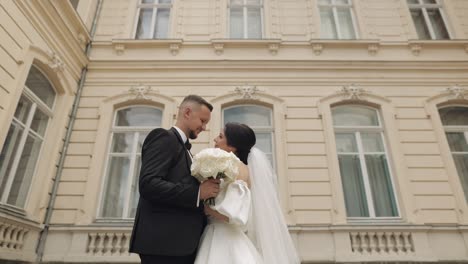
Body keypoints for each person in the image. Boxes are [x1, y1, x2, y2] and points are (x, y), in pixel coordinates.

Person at [129, 95, 221, 264]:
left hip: (180, 246)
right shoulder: (163, 137)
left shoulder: (186, 149)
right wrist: (198, 192)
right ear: (187, 112)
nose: (204, 127)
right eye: (202, 120)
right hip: (164, 246)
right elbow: (148, 184)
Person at [195, 122, 300, 264]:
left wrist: (206, 208)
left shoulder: (238, 169)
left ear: (232, 147)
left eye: (220, 136)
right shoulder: (227, 167)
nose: (215, 139)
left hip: (224, 239)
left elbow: (236, 216)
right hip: (214, 234)